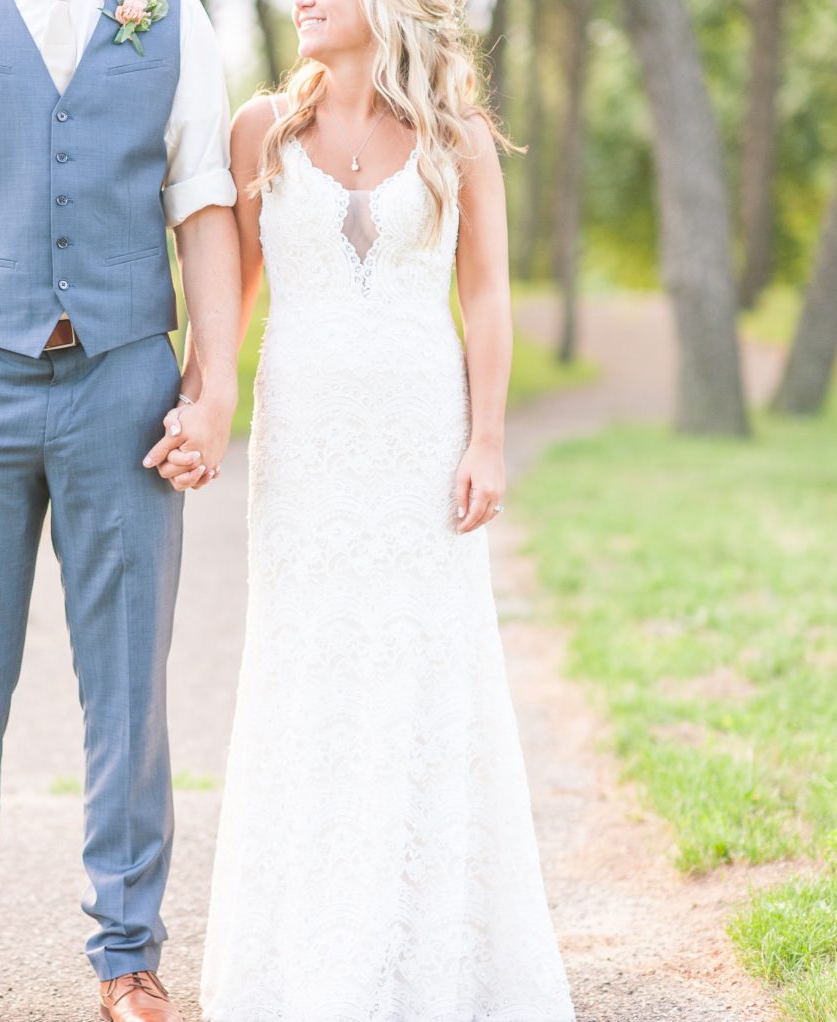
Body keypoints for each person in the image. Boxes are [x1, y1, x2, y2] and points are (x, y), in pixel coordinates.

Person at [166, 0, 578, 1016]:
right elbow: (235, 290)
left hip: (419, 441)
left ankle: (431, 952)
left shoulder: (458, 135)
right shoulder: (260, 130)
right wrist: (198, 396)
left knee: (423, 665)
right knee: (310, 665)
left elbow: (484, 295)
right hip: (304, 448)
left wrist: (485, 436)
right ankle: (304, 952)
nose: (301, 1)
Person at [0, 1, 241, 1020]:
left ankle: (127, 957)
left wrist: (212, 383)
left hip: (126, 388)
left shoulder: (174, 22)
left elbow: (204, 208)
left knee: (127, 687)